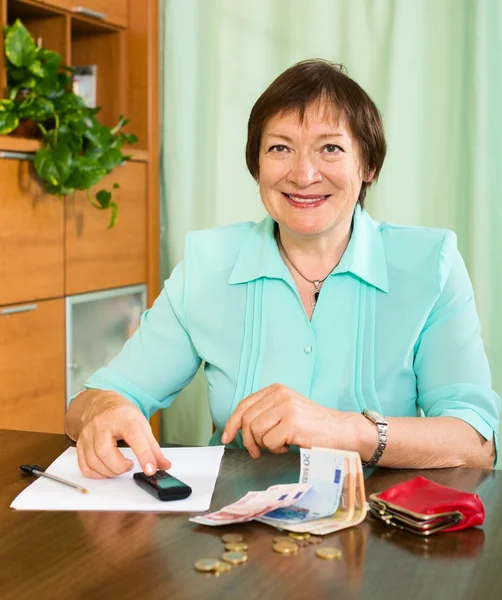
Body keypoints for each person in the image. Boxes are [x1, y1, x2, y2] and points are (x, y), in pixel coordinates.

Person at [65, 59, 500, 479]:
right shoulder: (208, 265)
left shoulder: (430, 263)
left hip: (382, 528)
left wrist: (342, 429)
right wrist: (106, 410)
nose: (303, 173)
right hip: (235, 529)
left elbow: (476, 442)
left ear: (368, 166)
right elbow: (90, 403)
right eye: (279, 148)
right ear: (257, 166)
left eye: (330, 148)